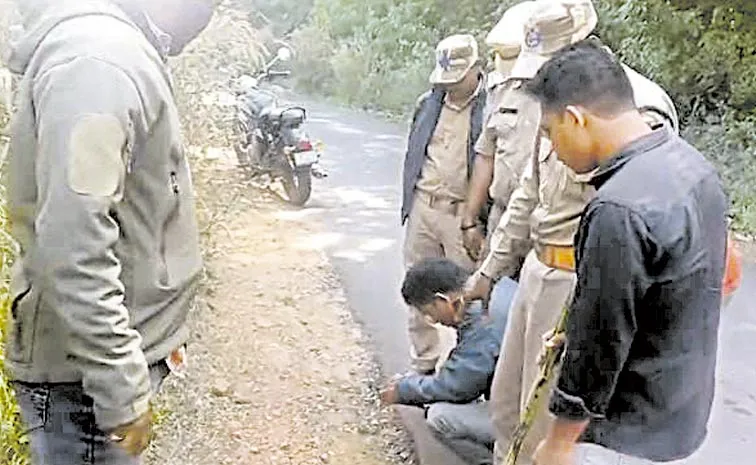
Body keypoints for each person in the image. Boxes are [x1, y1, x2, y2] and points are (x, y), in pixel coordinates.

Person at [464, 1, 680, 463]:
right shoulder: (556, 102)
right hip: (537, 270)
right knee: (507, 407)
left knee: (545, 421)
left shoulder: (636, 109)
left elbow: (648, 218)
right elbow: (529, 194)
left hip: (580, 282)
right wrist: (489, 270)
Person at [5, 0, 213, 463]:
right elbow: (73, 241)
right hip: (84, 388)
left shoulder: (116, 51)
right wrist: (119, 384)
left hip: (93, 374)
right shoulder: (98, 62)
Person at [524, 40, 728, 465]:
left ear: (575, 119)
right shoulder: (692, 166)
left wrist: (559, 443)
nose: (552, 149)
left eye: (549, 132)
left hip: (625, 434)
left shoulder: (617, 208)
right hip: (680, 418)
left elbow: (600, 343)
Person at [400, 34, 488, 375]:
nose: (449, 86)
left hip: (462, 214)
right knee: (417, 290)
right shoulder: (428, 104)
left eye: (456, 79)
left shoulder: (491, 108)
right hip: (424, 206)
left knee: (468, 295)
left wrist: (475, 220)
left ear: (476, 69)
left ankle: (468, 371)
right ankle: (422, 365)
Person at [381, 258, 519, 465]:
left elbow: (456, 387)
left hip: (532, 415)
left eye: (429, 313)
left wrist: (403, 390)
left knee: (440, 417)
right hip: (536, 397)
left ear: (442, 301)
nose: (433, 321)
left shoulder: (483, 324)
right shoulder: (496, 287)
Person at [461, 0, 541, 264]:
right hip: (502, 220)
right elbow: (486, 155)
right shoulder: (500, 91)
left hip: (548, 232)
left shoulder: (582, 92)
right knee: (488, 285)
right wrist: (469, 220)